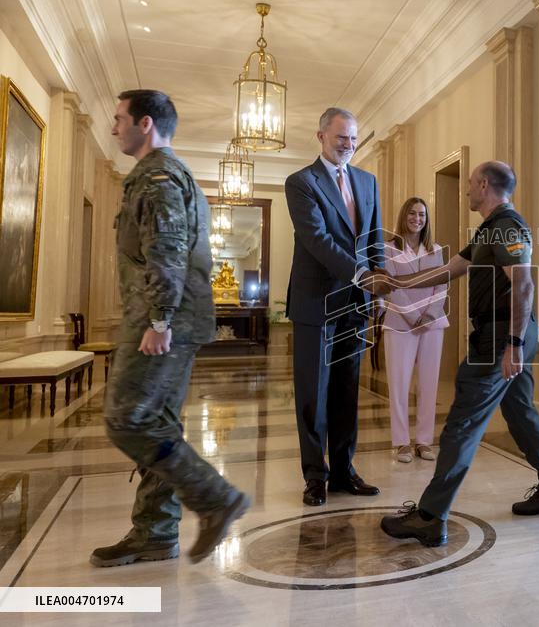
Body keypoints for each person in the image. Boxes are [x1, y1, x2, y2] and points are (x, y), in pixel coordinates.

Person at [378, 161, 539, 547]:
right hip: (506, 335)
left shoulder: (507, 226)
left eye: (470, 184)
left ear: (484, 185)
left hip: (501, 338)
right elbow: (449, 269)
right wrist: (393, 281)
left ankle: (431, 516)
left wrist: (514, 344)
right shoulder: (488, 229)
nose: (466, 190)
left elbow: (523, 285)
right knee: (521, 413)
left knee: (462, 423)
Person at [91, 90, 249, 567]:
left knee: (127, 418)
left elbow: (167, 249)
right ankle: (155, 532)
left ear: (144, 123)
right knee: (160, 422)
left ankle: (215, 497)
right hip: (171, 316)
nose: (113, 128)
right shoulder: (165, 173)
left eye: (119, 119)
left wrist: (159, 318)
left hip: (161, 319)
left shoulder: (157, 176)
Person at [285, 107, 384, 507]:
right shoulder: (301, 182)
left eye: (354, 139)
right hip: (315, 304)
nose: (349, 145)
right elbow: (318, 240)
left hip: (355, 305)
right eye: (342, 137)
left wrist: (377, 289)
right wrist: (363, 275)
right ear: (321, 136)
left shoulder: (367, 181)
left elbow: (374, 238)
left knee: (346, 391)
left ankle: (344, 471)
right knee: (313, 393)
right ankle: (315, 476)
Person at [383, 197, 448, 463]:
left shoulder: (436, 250)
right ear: (404, 216)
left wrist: (429, 314)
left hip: (433, 324)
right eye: (412, 213)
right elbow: (390, 286)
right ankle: (401, 443)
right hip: (400, 323)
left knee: (429, 384)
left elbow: (442, 285)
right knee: (398, 384)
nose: (417, 219)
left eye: (422, 215)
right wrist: (412, 316)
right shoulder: (387, 250)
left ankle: (423, 441)